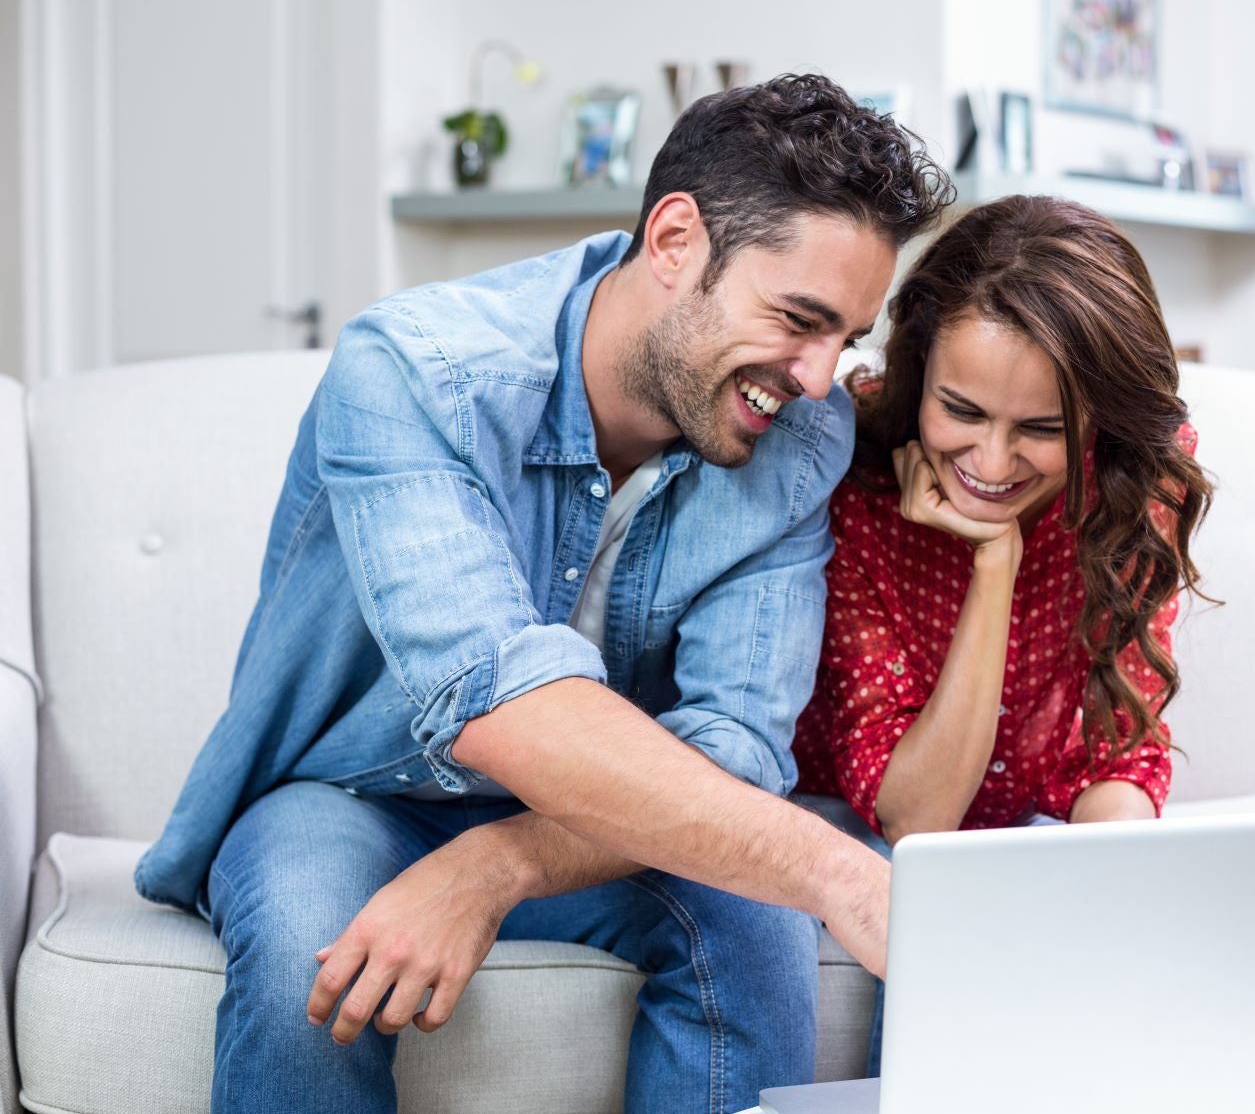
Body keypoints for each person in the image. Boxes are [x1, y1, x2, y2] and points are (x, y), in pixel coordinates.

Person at [132, 74, 952, 1114]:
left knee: (753, 922)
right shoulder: (417, 373)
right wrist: (835, 871)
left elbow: (735, 739)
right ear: (673, 242)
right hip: (351, 793)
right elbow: (494, 694)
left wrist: (497, 863)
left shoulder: (799, 440)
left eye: (846, 336)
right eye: (798, 318)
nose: (821, 377)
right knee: (314, 948)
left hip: (604, 820)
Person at [792, 194, 1213, 1071]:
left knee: (1122, 927)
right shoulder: (853, 475)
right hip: (868, 820)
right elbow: (918, 817)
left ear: (1096, 420)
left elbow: (1116, 754)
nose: (989, 464)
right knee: (953, 910)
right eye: (963, 411)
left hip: (1027, 825)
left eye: (1042, 429)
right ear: (919, 377)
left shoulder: (1138, 487)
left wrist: (1131, 889)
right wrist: (995, 567)